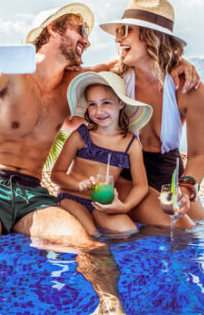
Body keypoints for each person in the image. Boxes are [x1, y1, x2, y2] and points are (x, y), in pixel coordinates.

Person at [0, 3, 127, 314]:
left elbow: (122, 64)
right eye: (81, 30)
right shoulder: (12, 70)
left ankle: (111, 307)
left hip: (32, 194)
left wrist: (178, 62)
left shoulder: (74, 85)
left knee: (91, 247)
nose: (87, 40)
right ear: (53, 28)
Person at [100, 0, 204, 229]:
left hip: (170, 176)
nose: (118, 39)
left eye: (125, 31)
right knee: (183, 229)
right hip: (128, 177)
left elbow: (199, 155)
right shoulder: (115, 78)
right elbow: (76, 76)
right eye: (118, 32)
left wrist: (186, 188)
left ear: (151, 35)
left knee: (200, 226)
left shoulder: (188, 88)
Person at [51, 71, 152, 236]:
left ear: (121, 103)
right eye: (92, 104)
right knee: (92, 235)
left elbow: (141, 186)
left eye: (106, 103)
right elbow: (56, 174)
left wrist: (124, 207)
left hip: (103, 204)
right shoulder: (80, 136)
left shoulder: (131, 144)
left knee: (129, 231)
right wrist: (78, 184)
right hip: (71, 198)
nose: (98, 111)